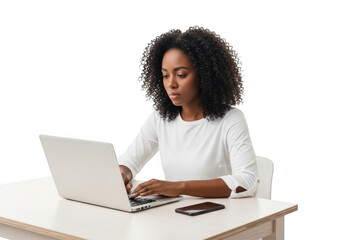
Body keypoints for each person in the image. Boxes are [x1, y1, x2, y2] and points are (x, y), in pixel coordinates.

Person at [119, 26, 258, 199]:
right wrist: (122, 174)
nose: (171, 84)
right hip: (174, 216)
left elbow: (246, 181)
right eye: (165, 75)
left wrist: (179, 187)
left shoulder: (230, 120)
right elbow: (129, 161)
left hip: (219, 217)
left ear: (204, 75)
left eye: (181, 74)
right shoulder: (160, 119)